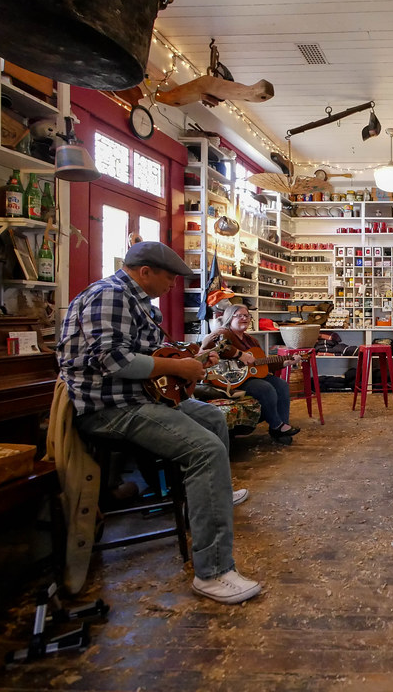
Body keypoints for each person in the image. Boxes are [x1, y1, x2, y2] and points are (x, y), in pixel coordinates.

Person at [57, 241, 261, 604]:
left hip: (141, 398)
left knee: (212, 416)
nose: (173, 285)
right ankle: (212, 572)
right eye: (169, 277)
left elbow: (152, 354)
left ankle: (213, 497)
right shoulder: (111, 296)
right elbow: (112, 361)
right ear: (145, 272)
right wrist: (177, 367)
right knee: (206, 451)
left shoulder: (139, 304)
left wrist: (193, 358)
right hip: (112, 408)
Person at [200, 303, 301, 444]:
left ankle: (281, 428)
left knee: (281, 385)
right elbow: (207, 344)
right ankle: (277, 425)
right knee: (265, 388)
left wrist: (285, 362)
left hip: (249, 376)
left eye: (247, 316)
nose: (244, 319)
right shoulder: (223, 333)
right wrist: (238, 354)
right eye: (239, 316)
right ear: (230, 318)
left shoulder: (251, 340)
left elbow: (261, 363)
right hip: (230, 379)